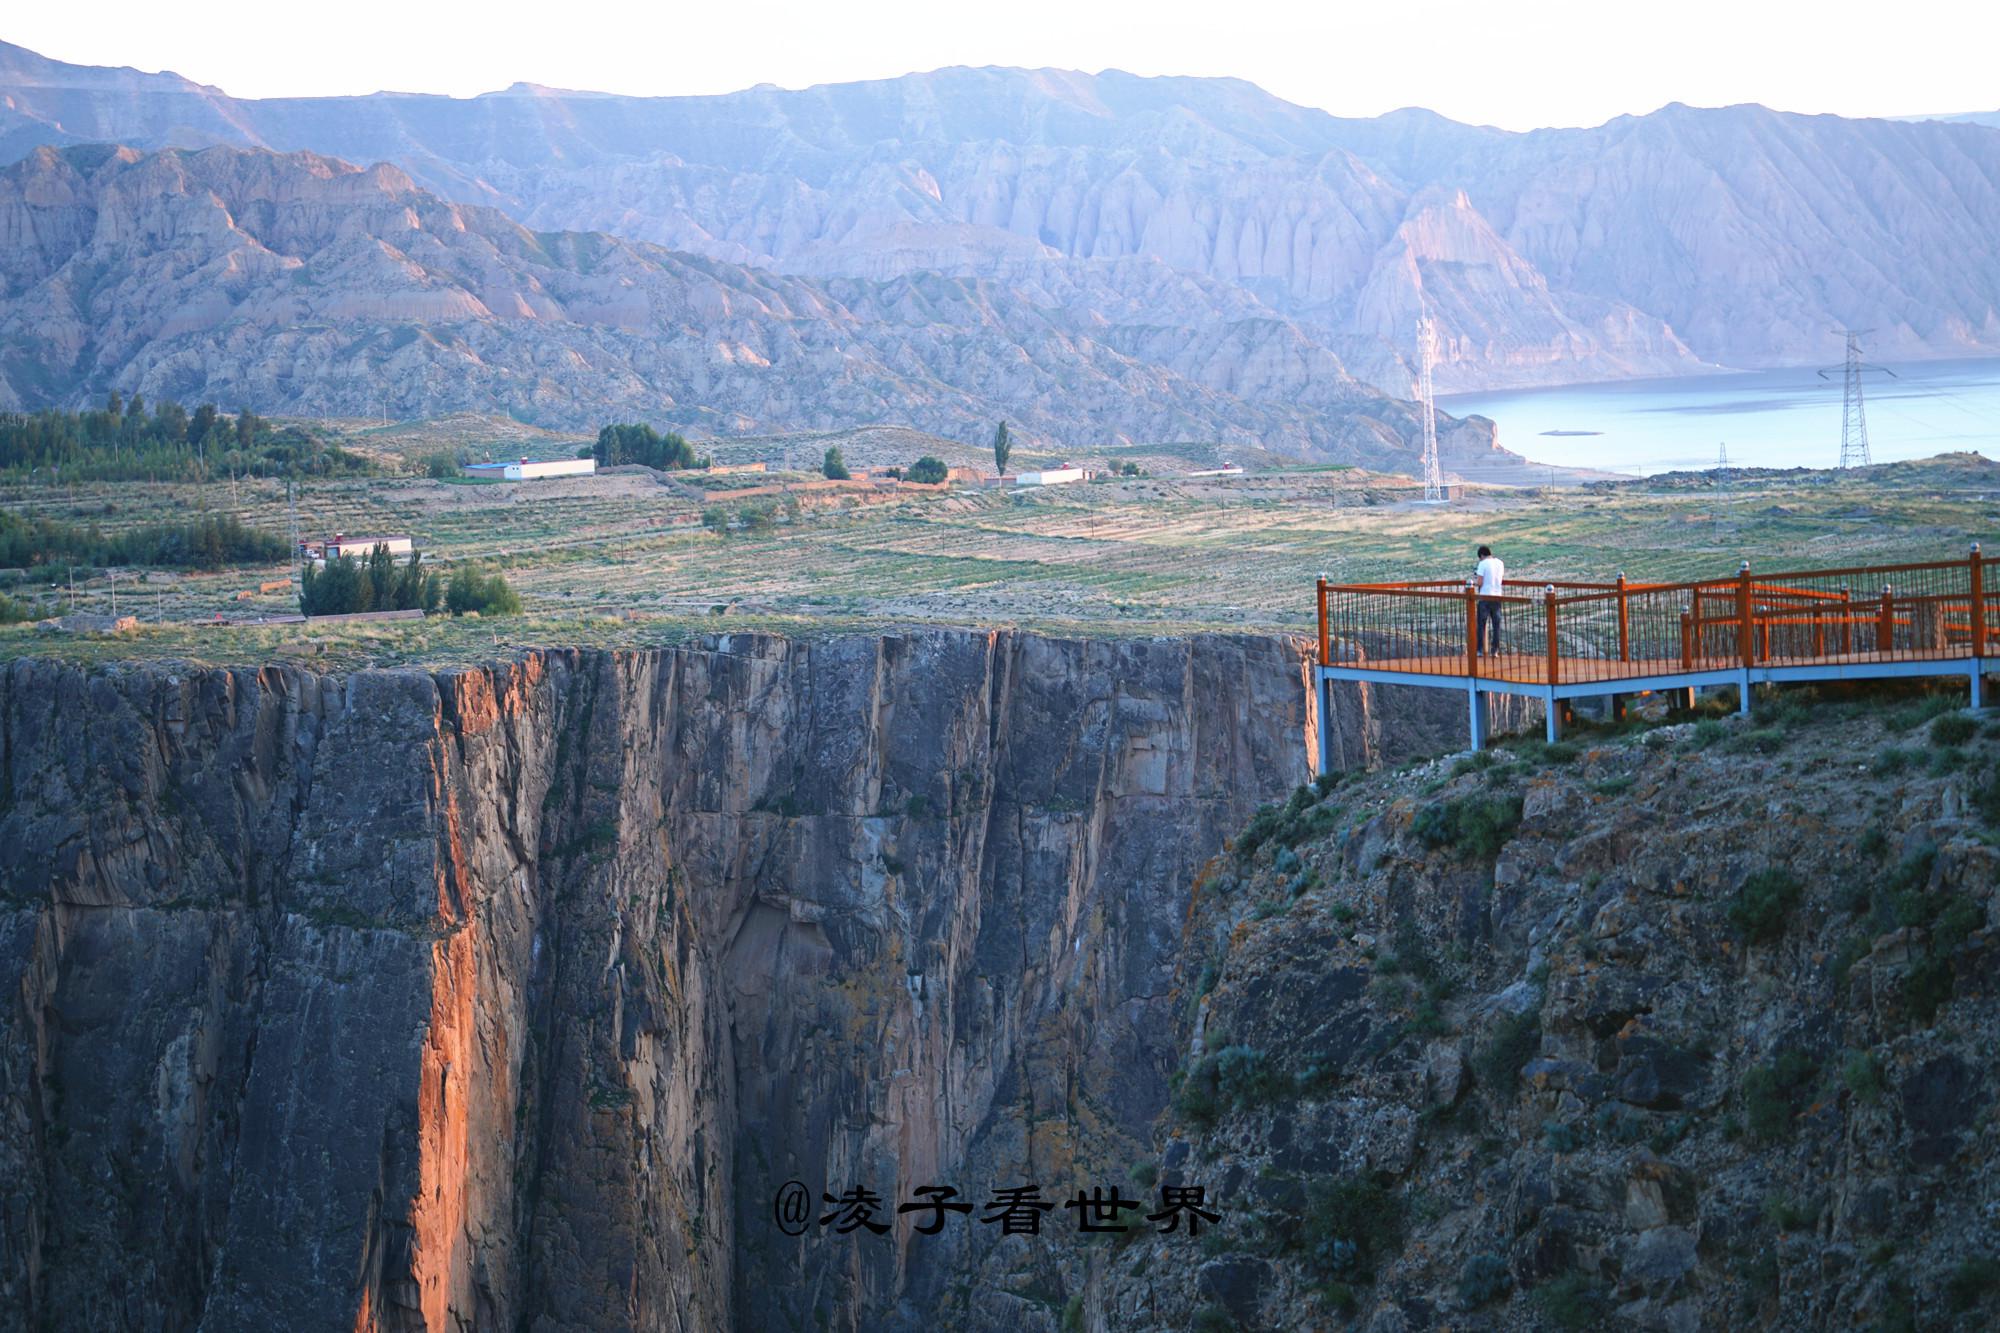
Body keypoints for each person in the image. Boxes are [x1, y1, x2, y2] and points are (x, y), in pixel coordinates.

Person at [1474, 545, 1504, 654]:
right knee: (1496, 625)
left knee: (1481, 624)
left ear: (1481, 555)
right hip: (1497, 596)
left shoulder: (1482, 564)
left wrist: (1476, 580)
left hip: (1485, 597)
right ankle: (1495, 650)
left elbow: (1480, 582)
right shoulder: (1500, 563)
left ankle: (1480, 650)